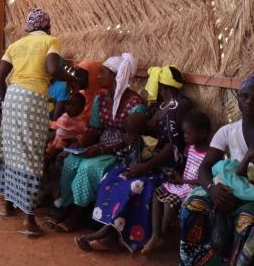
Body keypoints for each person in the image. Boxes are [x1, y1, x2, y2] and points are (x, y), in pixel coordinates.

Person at [75, 65, 191, 251]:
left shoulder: (179, 107)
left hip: (164, 166)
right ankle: (109, 231)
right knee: (112, 177)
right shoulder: (158, 106)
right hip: (147, 160)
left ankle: (114, 237)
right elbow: (145, 130)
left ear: (162, 86)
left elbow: (172, 147)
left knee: (135, 185)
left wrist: (145, 167)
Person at [0, 7, 75, 236]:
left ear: (28, 28)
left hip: (13, 98)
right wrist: (72, 78)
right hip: (34, 99)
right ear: (47, 26)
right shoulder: (51, 41)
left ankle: (7, 205)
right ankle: (29, 220)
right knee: (31, 154)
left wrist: (6, 101)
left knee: (11, 150)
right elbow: (52, 68)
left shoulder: (15, 45)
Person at [180, 75, 254, 266]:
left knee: (247, 221)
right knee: (194, 205)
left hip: (250, 194)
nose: (250, 101)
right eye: (245, 95)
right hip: (226, 186)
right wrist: (212, 190)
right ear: (238, 99)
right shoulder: (227, 132)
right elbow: (204, 169)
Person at [54, 53, 144, 232]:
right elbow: (95, 128)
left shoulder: (135, 103)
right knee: (71, 161)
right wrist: (81, 143)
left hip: (120, 153)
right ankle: (68, 206)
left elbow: (130, 140)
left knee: (88, 168)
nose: (98, 76)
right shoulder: (100, 99)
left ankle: (78, 214)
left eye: (102, 73)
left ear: (115, 77)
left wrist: (101, 149)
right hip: (101, 147)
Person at [142, 111, 211, 255]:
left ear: (203, 133)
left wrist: (183, 180)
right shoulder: (189, 148)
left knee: (169, 202)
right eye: (184, 132)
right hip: (182, 183)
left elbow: (204, 180)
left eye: (188, 133)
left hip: (194, 188)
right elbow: (185, 166)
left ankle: (162, 234)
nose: (185, 136)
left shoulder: (210, 155)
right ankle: (156, 234)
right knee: (156, 194)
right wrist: (177, 176)